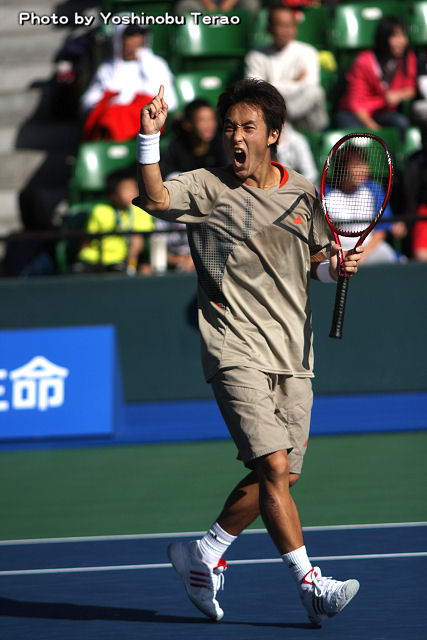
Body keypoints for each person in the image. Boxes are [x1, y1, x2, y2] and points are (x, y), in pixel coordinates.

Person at [134, 78, 363, 626]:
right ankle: (311, 584)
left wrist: (335, 268)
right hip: (233, 345)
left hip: (293, 352)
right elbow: (157, 197)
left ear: (273, 135)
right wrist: (149, 138)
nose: (236, 136)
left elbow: (314, 262)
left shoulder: (303, 192)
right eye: (230, 127)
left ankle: (204, 553)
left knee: (280, 476)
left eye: (248, 127)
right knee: (274, 464)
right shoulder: (206, 187)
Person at [80, 24, 177, 141]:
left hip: (146, 126)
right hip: (111, 131)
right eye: (130, 36)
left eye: (139, 35)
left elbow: (170, 102)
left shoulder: (157, 65)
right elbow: (88, 101)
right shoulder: (106, 68)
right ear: (119, 39)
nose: (136, 40)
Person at [244, 3, 329, 132]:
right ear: (269, 29)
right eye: (281, 26)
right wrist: (294, 82)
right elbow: (254, 89)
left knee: (315, 92)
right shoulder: (255, 56)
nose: (286, 31)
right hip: (271, 113)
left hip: (303, 119)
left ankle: (281, 116)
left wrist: (269, 84)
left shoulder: (308, 52)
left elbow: (310, 85)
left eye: (290, 25)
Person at [335, 15, 417, 140]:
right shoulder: (363, 62)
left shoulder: (407, 58)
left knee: (401, 123)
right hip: (355, 115)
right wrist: (375, 130)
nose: (402, 41)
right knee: (359, 139)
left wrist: (399, 94)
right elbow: (355, 104)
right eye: (395, 36)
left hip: (382, 112)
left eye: (403, 35)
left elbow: (410, 89)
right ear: (384, 39)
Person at [324, 144, 404, 265]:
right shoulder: (325, 194)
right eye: (356, 165)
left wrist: (362, 256)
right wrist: (340, 254)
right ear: (342, 168)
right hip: (337, 252)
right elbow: (321, 235)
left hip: (369, 249)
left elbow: (381, 231)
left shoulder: (374, 189)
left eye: (364, 164)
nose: (364, 169)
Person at [72, 169, 153, 274]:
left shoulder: (140, 211)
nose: (133, 192)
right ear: (113, 195)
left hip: (120, 261)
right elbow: (87, 240)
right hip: (93, 259)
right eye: (127, 189)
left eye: (134, 187)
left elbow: (137, 243)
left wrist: (131, 267)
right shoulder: (99, 211)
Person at [160, 98, 228, 180]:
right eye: (202, 120)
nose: (209, 125)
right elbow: (166, 174)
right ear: (187, 124)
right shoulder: (176, 147)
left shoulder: (223, 144)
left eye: (212, 119)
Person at [174, 0, 260, 19]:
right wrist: (208, 5)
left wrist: (227, 4)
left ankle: (244, 37)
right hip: (202, 5)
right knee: (184, 7)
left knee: (250, 4)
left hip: (233, 5)